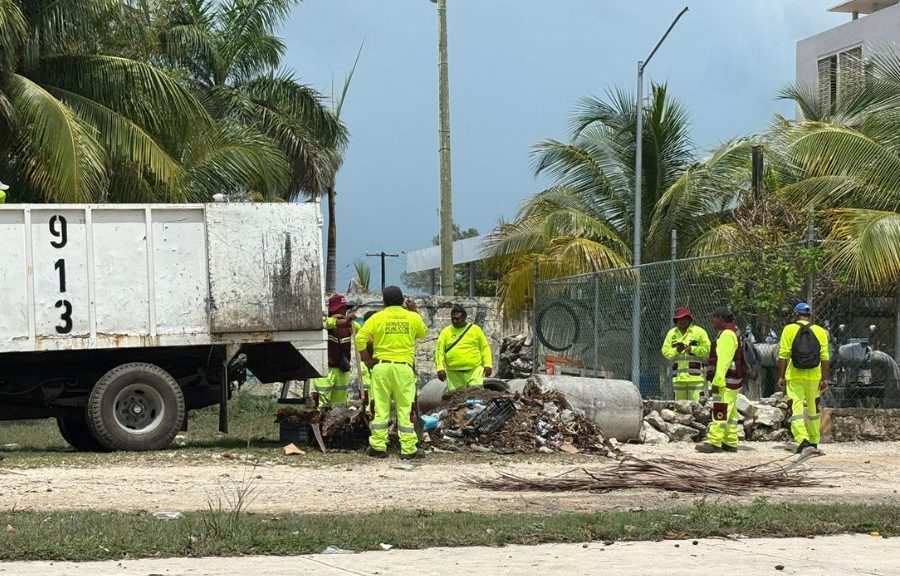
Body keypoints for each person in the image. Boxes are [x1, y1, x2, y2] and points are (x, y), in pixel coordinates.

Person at [356, 286, 428, 460]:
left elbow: (360, 338)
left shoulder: (377, 317)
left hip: (381, 367)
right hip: (404, 368)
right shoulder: (412, 317)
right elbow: (422, 332)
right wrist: (414, 310)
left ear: (384, 301)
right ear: (403, 300)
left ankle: (378, 446)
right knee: (405, 408)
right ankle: (408, 449)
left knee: (380, 408)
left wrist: (367, 360)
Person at [777, 302, 830, 454]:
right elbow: (825, 357)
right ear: (810, 316)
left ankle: (802, 440)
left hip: (795, 376)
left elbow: (783, 355)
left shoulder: (789, 329)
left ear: (796, 315)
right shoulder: (820, 331)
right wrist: (825, 379)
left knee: (796, 408)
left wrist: (781, 377)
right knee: (813, 409)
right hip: (815, 376)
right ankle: (814, 440)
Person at [696, 307, 745, 453]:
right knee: (731, 411)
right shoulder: (734, 331)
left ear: (720, 319)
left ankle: (714, 441)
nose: (712, 321)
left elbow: (724, 360)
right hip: (733, 379)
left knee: (721, 409)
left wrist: (718, 381)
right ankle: (730, 440)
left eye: (714, 318)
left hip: (725, 379)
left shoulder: (726, 335)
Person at [435, 305, 493, 392]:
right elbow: (439, 351)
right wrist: (440, 368)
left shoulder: (475, 330)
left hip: (474, 371)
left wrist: (488, 364)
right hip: (453, 374)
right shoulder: (445, 332)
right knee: (456, 397)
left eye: (458, 319)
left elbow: (484, 348)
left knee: (475, 395)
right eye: (453, 319)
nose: (455, 321)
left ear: (465, 317)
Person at [312, 294, 356, 408]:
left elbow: (359, 330)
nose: (345, 311)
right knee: (322, 404)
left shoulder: (349, 325)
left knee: (339, 406)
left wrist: (348, 322)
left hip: (342, 370)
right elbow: (330, 323)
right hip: (326, 370)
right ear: (335, 309)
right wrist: (343, 320)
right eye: (343, 308)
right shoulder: (325, 323)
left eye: (346, 308)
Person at [661, 307, 711, 402]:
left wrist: (692, 349)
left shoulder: (699, 332)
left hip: (695, 378)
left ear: (689, 319)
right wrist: (676, 350)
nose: (682, 321)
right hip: (678, 378)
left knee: (697, 406)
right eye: (679, 319)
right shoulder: (671, 333)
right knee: (680, 407)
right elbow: (665, 351)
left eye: (684, 318)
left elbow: (707, 349)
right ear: (676, 321)